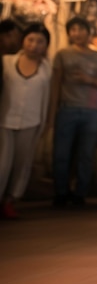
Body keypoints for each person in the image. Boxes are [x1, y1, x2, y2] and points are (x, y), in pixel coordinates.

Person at [49, 16, 97, 207]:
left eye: (80, 29)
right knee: (61, 153)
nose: (76, 33)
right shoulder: (62, 54)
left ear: (89, 31)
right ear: (69, 33)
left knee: (86, 154)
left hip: (92, 110)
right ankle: (61, 192)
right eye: (73, 29)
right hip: (67, 108)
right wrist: (52, 113)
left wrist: (88, 79)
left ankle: (80, 193)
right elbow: (56, 84)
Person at [0, 23, 51, 218]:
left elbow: (50, 97)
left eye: (40, 41)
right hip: (4, 119)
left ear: (46, 45)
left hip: (31, 120)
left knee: (22, 163)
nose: (34, 45)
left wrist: (47, 121)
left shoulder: (47, 68)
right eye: (30, 39)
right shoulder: (6, 62)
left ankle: (10, 200)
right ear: (23, 40)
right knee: (3, 163)